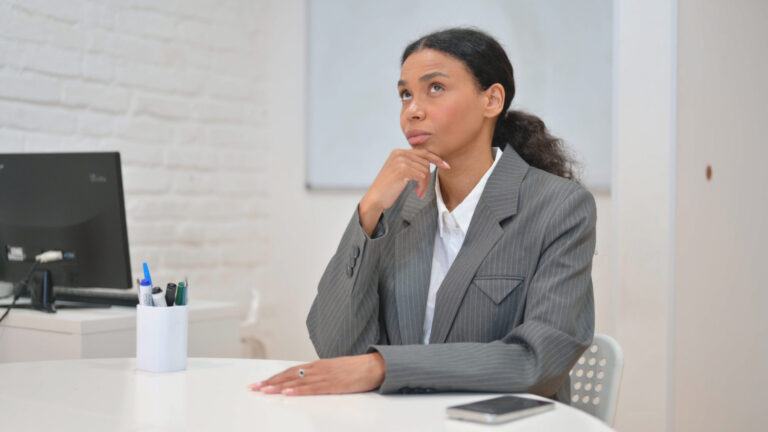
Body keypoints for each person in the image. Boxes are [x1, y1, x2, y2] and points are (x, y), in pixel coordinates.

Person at [249, 27, 596, 403]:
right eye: (405, 94)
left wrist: (384, 366)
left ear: (492, 100)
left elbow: (537, 362)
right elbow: (337, 348)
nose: (413, 110)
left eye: (435, 88)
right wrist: (367, 214)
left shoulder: (560, 207)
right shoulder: (397, 207)